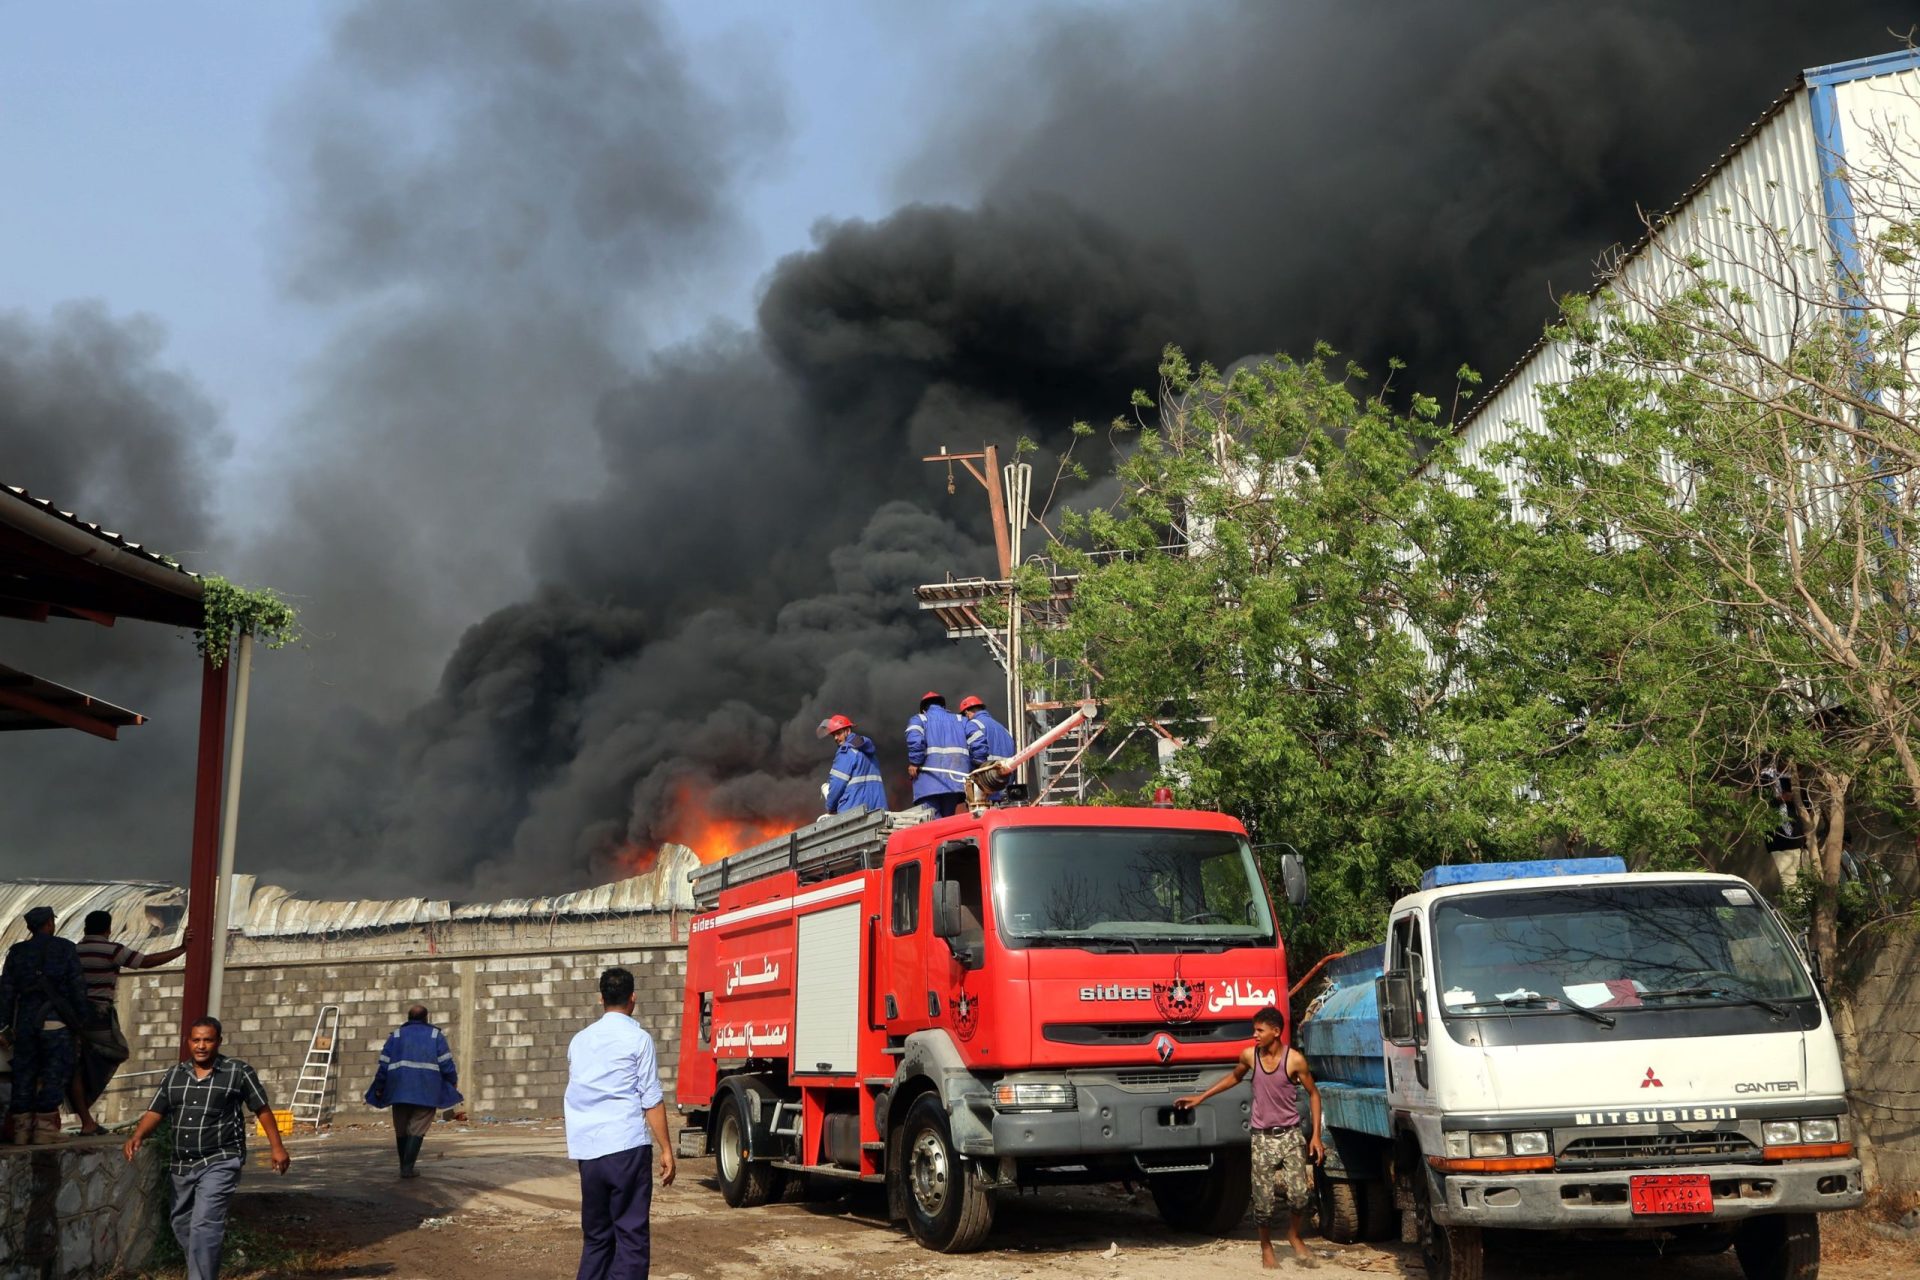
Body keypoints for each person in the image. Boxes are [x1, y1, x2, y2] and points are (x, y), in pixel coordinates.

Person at [124, 1016, 291, 1280]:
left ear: (218, 1042)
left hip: (220, 1159)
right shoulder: (175, 1075)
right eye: (196, 1040)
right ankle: (202, 1272)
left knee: (204, 1225)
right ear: (188, 1042)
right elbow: (156, 1110)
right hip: (182, 1164)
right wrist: (138, 1135)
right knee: (182, 1223)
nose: (201, 1046)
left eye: (208, 1040)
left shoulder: (237, 1072)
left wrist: (277, 1147)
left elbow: (262, 1109)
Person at [1176, 1006, 1324, 1269]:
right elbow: (1234, 1077)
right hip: (1262, 1138)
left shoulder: (1294, 1060)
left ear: (1276, 1032)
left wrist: (1316, 1136)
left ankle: (1293, 1234)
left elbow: (1314, 1094)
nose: (1254, 1035)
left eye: (1260, 1030)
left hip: (1290, 1135)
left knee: (1300, 1195)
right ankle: (1266, 1247)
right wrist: (1201, 1097)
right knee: (1264, 1201)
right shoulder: (1250, 1057)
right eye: (1254, 1030)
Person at [565, 966, 676, 1280]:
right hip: (626, 1149)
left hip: (588, 1152)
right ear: (633, 999)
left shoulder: (579, 1041)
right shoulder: (638, 1039)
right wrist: (667, 1149)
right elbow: (651, 1098)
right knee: (630, 1236)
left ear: (601, 999)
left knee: (597, 1237)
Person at [72, 910, 190, 1135]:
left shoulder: (73, 951)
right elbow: (144, 962)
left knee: (77, 1065)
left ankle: (84, 1115)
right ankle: (87, 1105)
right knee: (115, 1052)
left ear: (86, 928)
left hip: (73, 1016)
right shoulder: (111, 950)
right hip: (98, 1014)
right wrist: (181, 949)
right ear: (108, 929)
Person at [0, 905, 89, 1145]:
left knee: (24, 1074)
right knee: (54, 1074)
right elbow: (77, 988)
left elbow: (6, 992)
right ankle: (44, 1131)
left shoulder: (16, 952)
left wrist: (3, 1026)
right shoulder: (65, 949)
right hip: (56, 1023)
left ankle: (21, 1131)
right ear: (50, 923)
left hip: (26, 1025)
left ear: (30, 927)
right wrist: (82, 1021)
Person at [363, 1003, 462, 1178]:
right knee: (417, 1129)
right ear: (426, 1018)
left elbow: (384, 1065)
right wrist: (452, 1081)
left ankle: (404, 1167)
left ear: (408, 1019)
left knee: (401, 1129)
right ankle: (407, 1168)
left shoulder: (396, 1035)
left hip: (398, 1091)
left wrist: (379, 1087)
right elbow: (446, 1063)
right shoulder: (435, 1035)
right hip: (426, 1090)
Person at [904, 691, 985, 818]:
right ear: (943, 706)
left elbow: (915, 740)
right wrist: (977, 765)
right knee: (948, 823)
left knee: (932, 823)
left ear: (924, 709)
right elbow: (979, 741)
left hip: (928, 782)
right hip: (956, 781)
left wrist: (915, 762)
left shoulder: (919, 719)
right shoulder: (961, 720)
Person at [818, 714, 888, 815]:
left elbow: (837, 785)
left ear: (848, 730)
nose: (836, 738)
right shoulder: (869, 752)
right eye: (834, 735)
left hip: (854, 812)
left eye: (839, 733)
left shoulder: (846, 752)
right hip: (878, 810)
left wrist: (830, 807)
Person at [958, 695, 1017, 801]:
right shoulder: (1004, 729)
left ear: (967, 712)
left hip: (986, 786)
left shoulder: (973, 725)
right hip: (1004, 786)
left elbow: (978, 752)